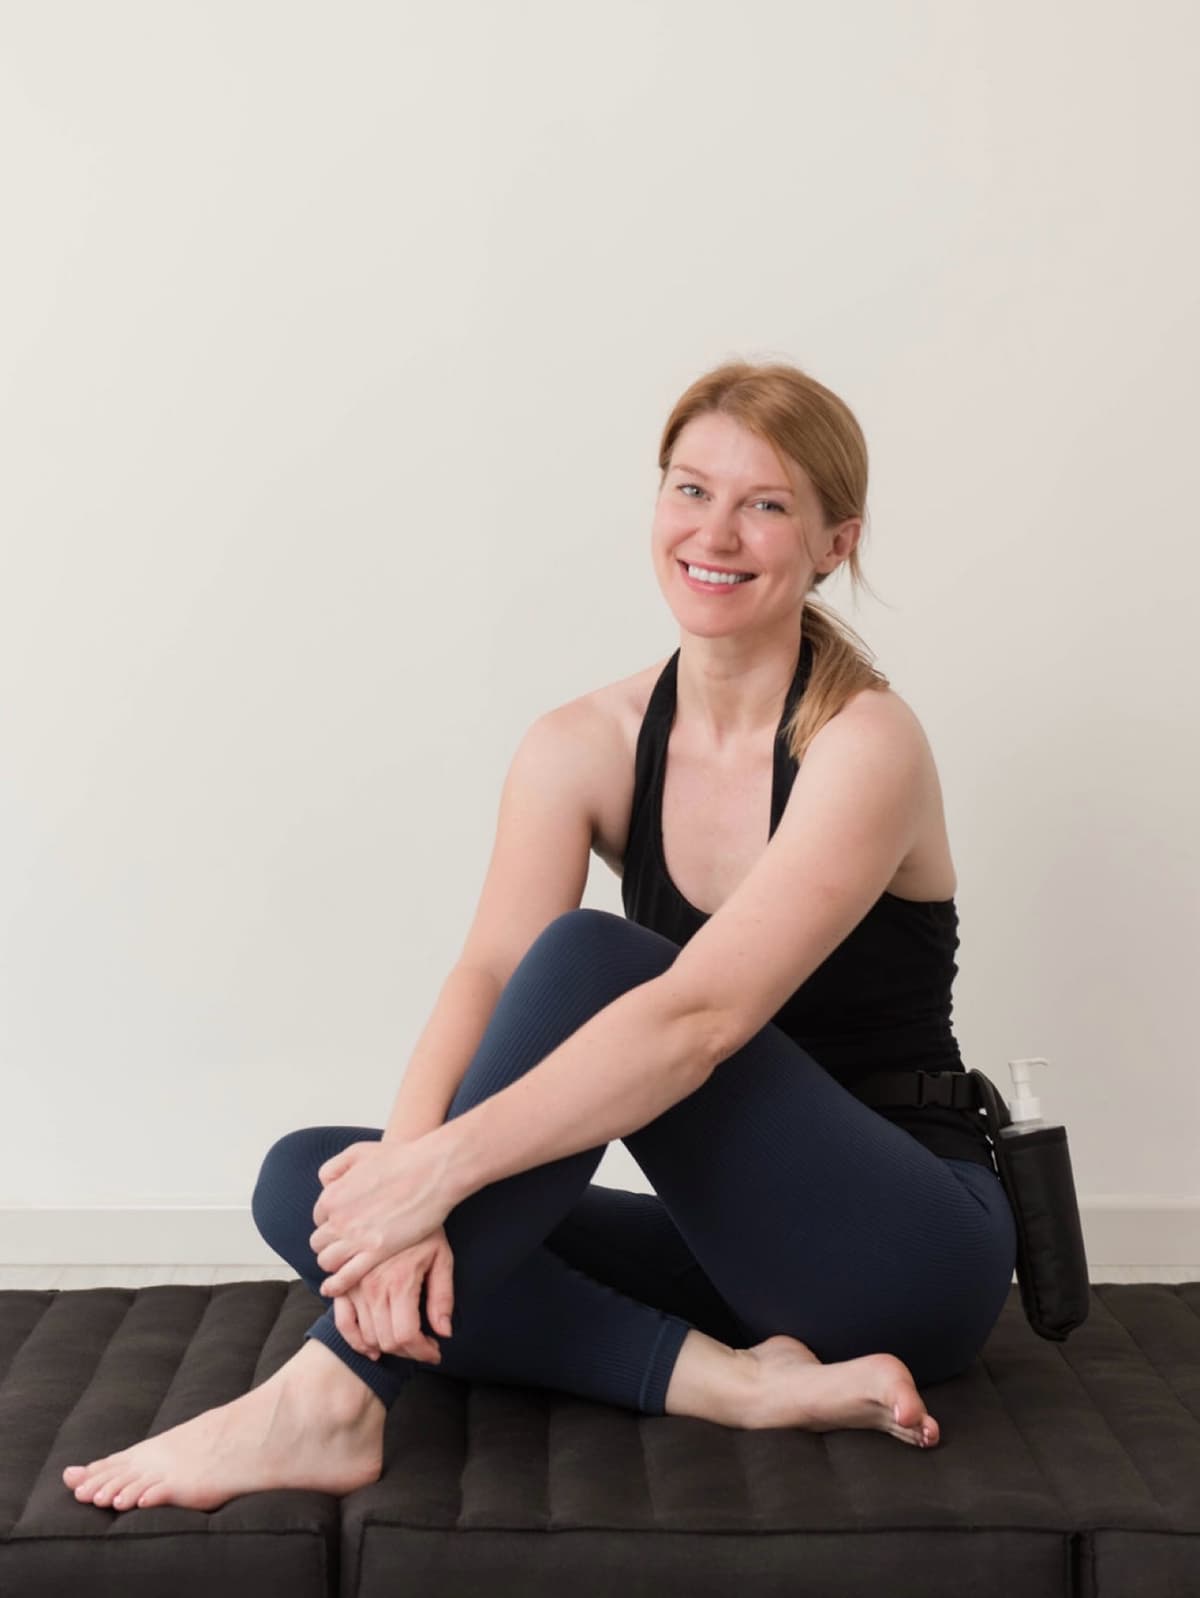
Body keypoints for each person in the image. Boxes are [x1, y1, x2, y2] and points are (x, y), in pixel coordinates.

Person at [63, 359, 1016, 1513]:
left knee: (595, 959)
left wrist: (438, 1176)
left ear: (833, 543)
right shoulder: (585, 740)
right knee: (310, 1184)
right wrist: (402, 1177)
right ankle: (738, 1385)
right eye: (691, 489)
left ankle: (329, 1396)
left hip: (905, 1253)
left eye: (765, 504)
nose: (715, 532)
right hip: (726, 1253)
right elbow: (487, 971)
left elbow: (699, 1018)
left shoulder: (865, 744)